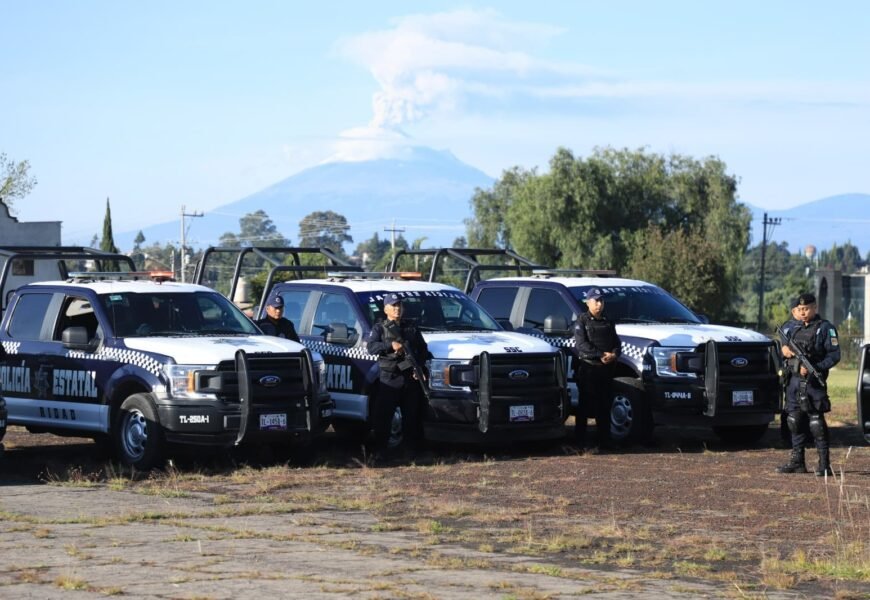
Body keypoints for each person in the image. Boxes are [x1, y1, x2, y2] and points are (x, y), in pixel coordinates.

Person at [776, 292, 840, 476]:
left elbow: (834, 355)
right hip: (793, 381)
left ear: (815, 308)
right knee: (794, 420)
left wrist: (815, 368)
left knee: (816, 423)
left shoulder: (825, 328)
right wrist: (784, 351)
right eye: (799, 309)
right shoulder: (789, 328)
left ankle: (824, 465)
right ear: (794, 311)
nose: (803, 312)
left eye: (807, 308)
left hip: (813, 382)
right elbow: (781, 349)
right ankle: (797, 462)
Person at [366, 293, 429, 450]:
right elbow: (371, 348)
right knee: (384, 418)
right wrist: (390, 346)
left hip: (409, 378)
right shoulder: (380, 328)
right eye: (393, 306)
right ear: (386, 308)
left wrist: (419, 367)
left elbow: (423, 349)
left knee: (411, 417)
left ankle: (410, 452)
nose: (397, 309)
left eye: (399, 305)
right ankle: (381, 452)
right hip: (390, 378)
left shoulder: (411, 328)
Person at [572, 288, 621, 451]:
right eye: (596, 301)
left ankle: (604, 442)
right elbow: (582, 345)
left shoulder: (608, 321)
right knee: (584, 406)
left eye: (601, 301)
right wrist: (600, 355)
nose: (599, 304)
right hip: (588, 368)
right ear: (588, 302)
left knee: (604, 406)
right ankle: (580, 442)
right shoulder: (582, 321)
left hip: (605, 370)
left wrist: (614, 354)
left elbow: (617, 342)